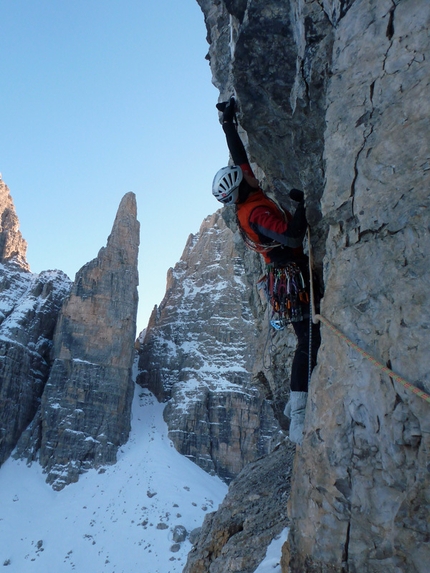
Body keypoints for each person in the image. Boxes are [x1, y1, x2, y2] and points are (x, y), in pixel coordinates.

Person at [212, 97, 321, 445]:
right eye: (244, 179)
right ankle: (299, 413)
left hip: (284, 277)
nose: (250, 177)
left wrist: (228, 123)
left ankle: (294, 404)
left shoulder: (246, 196)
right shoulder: (255, 213)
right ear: (239, 189)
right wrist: (303, 205)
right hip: (291, 276)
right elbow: (290, 234)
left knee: (307, 337)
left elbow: (241, 158)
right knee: (307, 340)